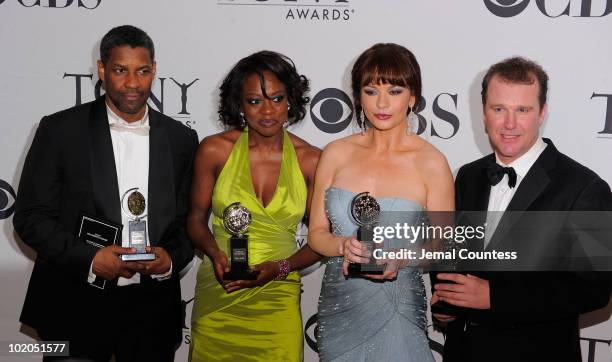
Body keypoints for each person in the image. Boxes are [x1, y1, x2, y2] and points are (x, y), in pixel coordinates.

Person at [13, 25, 198, 361]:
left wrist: (169, 258)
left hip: (152, 314)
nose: (132, 83)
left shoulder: (180, 139)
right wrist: (91, 258)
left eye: (142, 71)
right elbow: (30, 217)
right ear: (101, 69)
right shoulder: (59, 130)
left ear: (154, 70)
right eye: (120, 70)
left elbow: (188, 223)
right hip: (74, 305)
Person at [432, 57, 612, 362]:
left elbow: (593, 288)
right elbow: (451, 255)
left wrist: (495, 298)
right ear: (484, 113)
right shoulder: (467, 176)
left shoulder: (584, 187)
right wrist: (446, 305)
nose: (510, 123)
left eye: (523, 110)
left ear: (542, 113)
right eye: (499, 109)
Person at [308, 43, 454, 361]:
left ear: (413, 96)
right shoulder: (335, 153)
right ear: (358, 96)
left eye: (395, 90)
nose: (382, 103)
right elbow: (316, 233)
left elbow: (441, 245)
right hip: (339, 313)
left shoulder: (431, 162)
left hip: (398, 310)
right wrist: (342, 246)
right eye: (371, 91)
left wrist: (399, 259)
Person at [187, 50, 321, 361]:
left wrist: (281, 268)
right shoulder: (214, 150)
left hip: (278, 299)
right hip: (220, 293)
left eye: (276, 98)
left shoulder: (311, 160)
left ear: (290, 100)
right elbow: (194, 220)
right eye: (255, 101)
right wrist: (216, 253)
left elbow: (319, 242)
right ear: (240, 105)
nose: (268, 111)